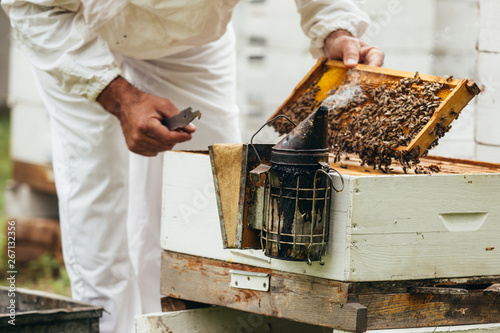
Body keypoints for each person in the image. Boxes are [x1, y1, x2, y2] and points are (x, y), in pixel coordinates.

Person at [2, 1, 384, 332]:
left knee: (209, 201)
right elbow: (32, 5)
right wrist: (118, 97)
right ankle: (110, 326)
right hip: (81, 28)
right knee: (97, 207)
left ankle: (181, 324)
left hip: (192, 44)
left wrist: (335, 27)